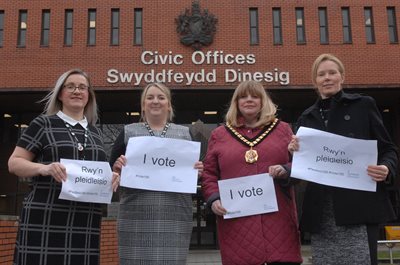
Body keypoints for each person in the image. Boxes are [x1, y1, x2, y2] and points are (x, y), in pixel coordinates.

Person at [288, 53, 398, 265]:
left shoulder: (363, 105)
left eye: (332, 72)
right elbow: (301, 167)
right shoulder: (306, 117)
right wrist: (294, 152)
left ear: (342, 76)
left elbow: (389, 149)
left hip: (359, 204)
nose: (327, 78)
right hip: (322, 209)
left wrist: (386, 168)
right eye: (321, 74)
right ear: (315, 81)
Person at [8, 69, 120, 265]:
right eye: (71, 86)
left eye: (82, 87)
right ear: (60, 93)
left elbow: (95, 173)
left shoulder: (95, 132)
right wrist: (44, 168)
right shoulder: (43, 124)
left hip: (85, 219)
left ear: (89, 96)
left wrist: (111, 177)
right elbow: (14, 162)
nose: (77, 91)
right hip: (46, 214)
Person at [201, 80, 302, 265]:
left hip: (278, 220)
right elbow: (209, 173)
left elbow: (300, 165)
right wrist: (214, 199)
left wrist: (286, 170)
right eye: (243, 96)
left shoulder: (283, 130)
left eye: (255, 96)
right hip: (237, 223)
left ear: (263, 101)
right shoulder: (219, 134)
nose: (249, 100)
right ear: (236, 102)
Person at [110, 82, 203, 265]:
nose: (155, 101)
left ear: (169, 105)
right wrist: (116, 168)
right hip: (136, 214)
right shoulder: (128, 132)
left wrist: (198, 171)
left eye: (161, 98)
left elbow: (192, 173)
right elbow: (112, 172)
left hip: (174, 215)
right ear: (143, 105)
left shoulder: (185, 134)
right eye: (150, 97)